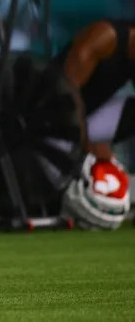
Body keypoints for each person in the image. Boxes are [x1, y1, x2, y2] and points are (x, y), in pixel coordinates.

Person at [48, 20, 135, 229]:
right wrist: (88, 142)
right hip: (51, 120)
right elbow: (65, 90)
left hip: (88, 118)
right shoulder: (105, 37)